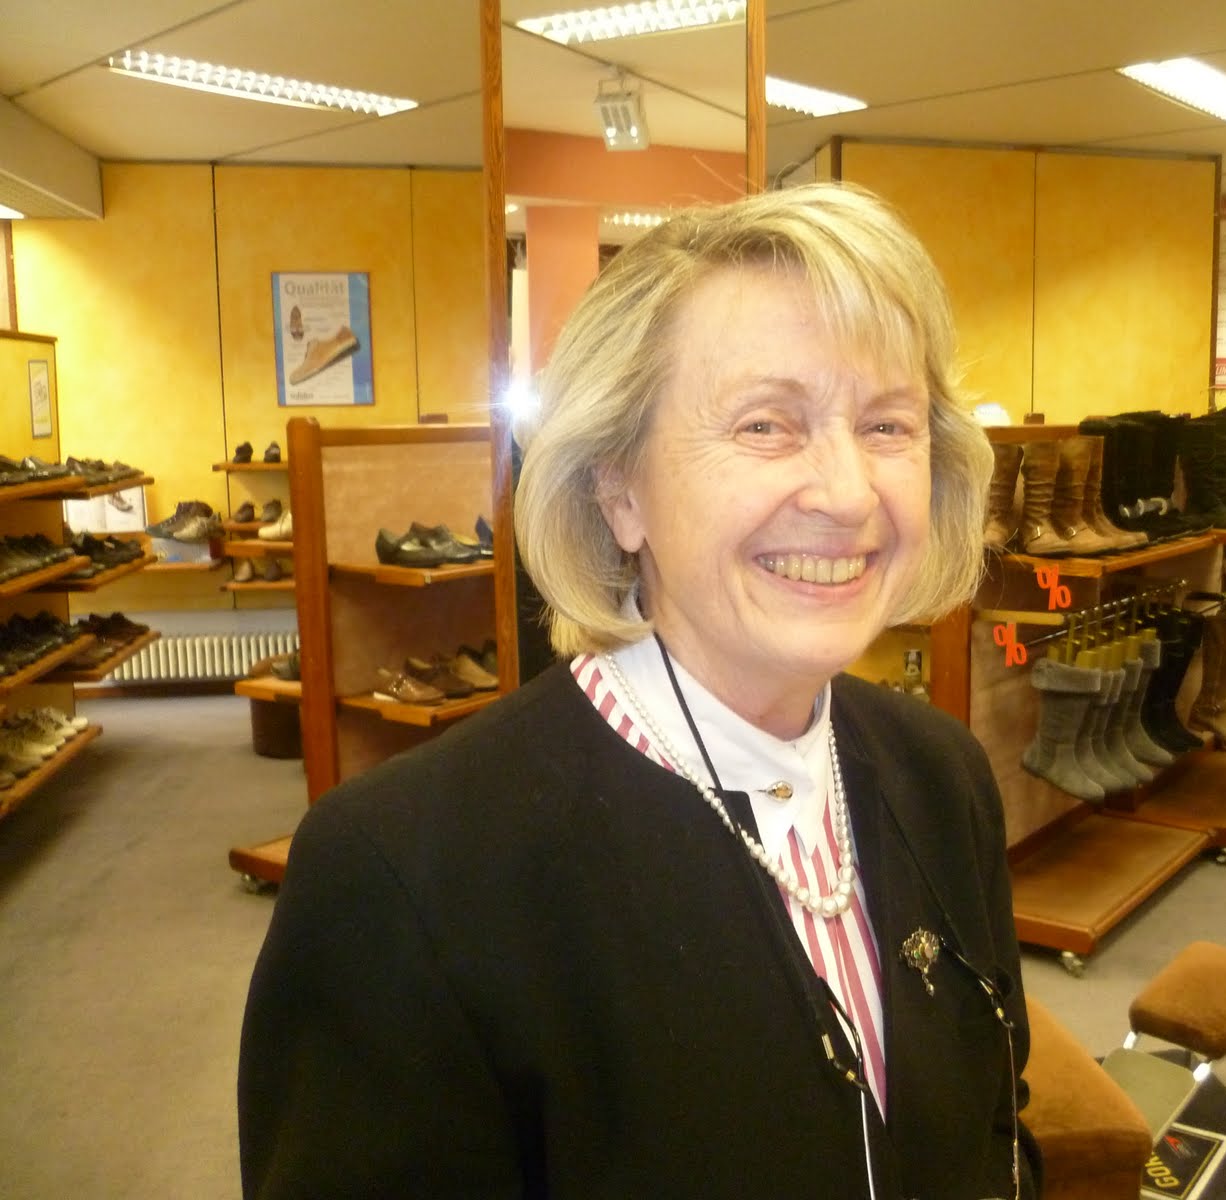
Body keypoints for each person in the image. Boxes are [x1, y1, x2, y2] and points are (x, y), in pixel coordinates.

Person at [238, 182, 1040, 1199]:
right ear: (619, 487)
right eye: (766, 425)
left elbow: (995, 1128)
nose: (847, 494)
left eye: (887, 426)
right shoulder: (406, 872)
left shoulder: (941, 774)